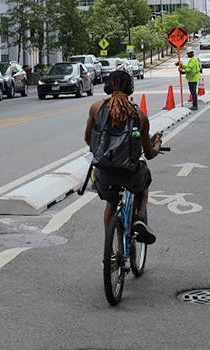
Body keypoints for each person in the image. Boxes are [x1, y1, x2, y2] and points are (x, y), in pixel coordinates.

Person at [85, 70, 162, 245]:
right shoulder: (140, 116)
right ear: (131, 89)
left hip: (104, 173)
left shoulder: (96, 109)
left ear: (106, 87)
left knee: (111, 203)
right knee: (144, 182)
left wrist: (96, 150)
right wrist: (157, 144)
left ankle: (109, 248)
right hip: (130, 174)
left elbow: (88, 138)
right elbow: (149, 154)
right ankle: (140, 218)